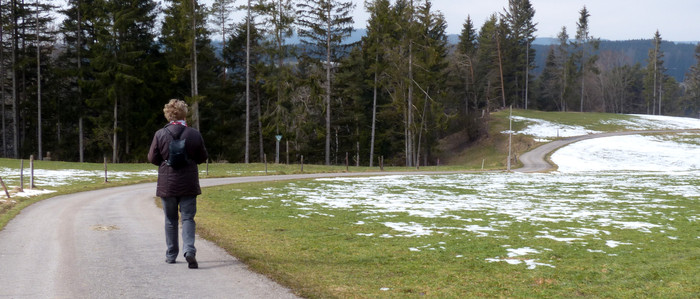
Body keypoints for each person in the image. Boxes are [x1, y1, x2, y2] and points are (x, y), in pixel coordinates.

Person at [148, 99, 208, 269]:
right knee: (188, 218)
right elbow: (203, 157)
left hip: (167, 184)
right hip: (188, 183)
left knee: (170, 219)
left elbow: (152, 158)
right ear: (184, 113)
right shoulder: (194, 134)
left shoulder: (160, 134)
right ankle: (189, 250)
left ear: (168, 114)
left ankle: (171, 254)